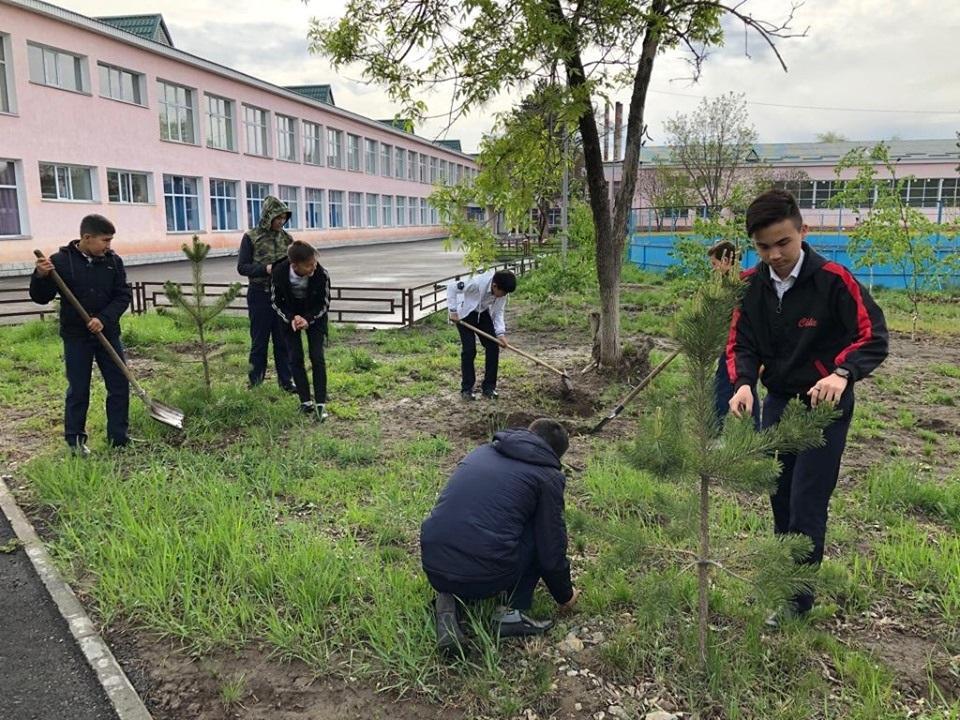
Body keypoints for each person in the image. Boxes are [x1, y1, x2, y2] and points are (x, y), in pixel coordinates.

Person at [726, 189, 888, 626]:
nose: (775, 254)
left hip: (823, 407)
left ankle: (797, 604)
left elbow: (872, 335)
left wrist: (842, 373)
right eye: (763, 247)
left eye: (783, 243)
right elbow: (741, 343)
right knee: (780, 496)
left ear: (802, 232)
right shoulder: (751, 286)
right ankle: (785, 581)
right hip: (779, 401)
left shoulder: (834, 280)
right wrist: (743, 384)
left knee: (807, 501)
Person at [420, 418, 579, 650]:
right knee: (540, 529)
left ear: (527, 433)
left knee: (485, 520)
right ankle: (510, 613)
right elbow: (551, 546)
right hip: (485, 574)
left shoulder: (482, 452)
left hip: (434, 561)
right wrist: (565, 594)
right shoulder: (547, 476)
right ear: (556, 455)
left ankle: (449, 597)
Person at [29, 214, 132, 456]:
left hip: (108, 333)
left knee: (119, 385)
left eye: (110, 240)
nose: (109, 245)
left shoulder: (113, 261)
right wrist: (40, 277)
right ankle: (75, 441)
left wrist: (103, 319)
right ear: (87, 238)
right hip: (76, 336)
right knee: (79, 388)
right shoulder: (60, 262)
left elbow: (123, 295)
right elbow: (40, 297)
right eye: (105, 240)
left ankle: (119, 437)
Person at [237, 195, 296, 392]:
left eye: (284, 217)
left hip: (281, 296)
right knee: (259, 342)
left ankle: (286, 382)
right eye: (277, 217)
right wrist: (266, 269)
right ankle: (256, 383)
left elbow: (294, 266)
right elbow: (243, 267)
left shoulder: (287, 239)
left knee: (283, 342)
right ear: (268, 216)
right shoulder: (251, 237)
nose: (281, 221)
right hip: (259, 295)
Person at [271, 241, 331, 421]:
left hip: (314, 315)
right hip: (289, 317)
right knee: (295, 358)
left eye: (314, 263)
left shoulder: (321, 274)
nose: (313, 267)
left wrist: (308, 319)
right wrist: (291, 318)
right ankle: (305, 402)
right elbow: (275, 301)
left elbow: (325, 303)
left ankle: (320, 404)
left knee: (317, 357)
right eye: (308, 265)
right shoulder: (279, 273)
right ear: (294, 265)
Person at [708, 241, 760, 428]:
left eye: (715, 264)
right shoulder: (728, 283)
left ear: (727, 260)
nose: (714, 270)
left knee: (723, 385)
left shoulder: (741, 285)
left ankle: (716, 429)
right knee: (746, 385)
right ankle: (754, 428)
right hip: (733, 343)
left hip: (738, 345)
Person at [446, 269, 517, 400]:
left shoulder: (502, 292)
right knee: (469, 350)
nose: (502, 296)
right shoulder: (475, 283)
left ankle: (489, 387)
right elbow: (451, 287)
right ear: (494, 286)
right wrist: (453, 311)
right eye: (502, 293)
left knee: (493, 346)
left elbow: (498, 312)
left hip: (482, 312)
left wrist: (500, 333)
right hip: (464, 314)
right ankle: (467, 389)